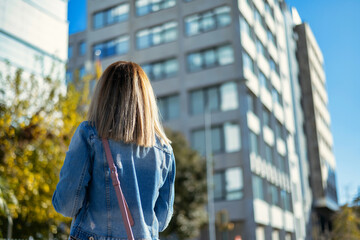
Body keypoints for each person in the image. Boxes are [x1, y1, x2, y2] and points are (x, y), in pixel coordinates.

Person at [52, 61, 176, 240]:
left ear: (103, 95)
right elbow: (162, 220)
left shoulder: (90, 135)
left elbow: (66, 205)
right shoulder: (165, 150)